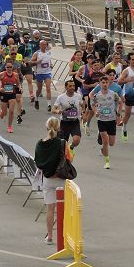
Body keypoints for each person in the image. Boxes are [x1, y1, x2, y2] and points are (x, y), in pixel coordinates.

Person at [34, 117, 72, 245]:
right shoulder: (62, 143)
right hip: (61, 178)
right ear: (59, 128)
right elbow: (69, 159)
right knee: (65, 208)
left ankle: (49, 236)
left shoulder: (40, 144)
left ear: (47, 127)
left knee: (50, 208)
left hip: (48, 179)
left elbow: (38, 162)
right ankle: (64, 234)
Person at [91, 76, 123, 169]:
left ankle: (103, 148)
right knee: (105, 141)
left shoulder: (114, 94)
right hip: (101, 120)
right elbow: (92, 104)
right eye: (103, 82)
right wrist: (96, 111)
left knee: (111, 143)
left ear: (108, 84)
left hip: (111, 120)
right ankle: (107, 162)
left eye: (106, 83)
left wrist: (118, 114)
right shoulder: (97, 95)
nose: (105, 84)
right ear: (100, 84)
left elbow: (120, 102)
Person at [54, 78, 84, 151]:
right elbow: (53, 109)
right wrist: (59, 111)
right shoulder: (61, 97)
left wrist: (83, 112)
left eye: (73, 86)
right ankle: (64, 155)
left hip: (75, 122)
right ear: (66, 87)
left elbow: (83, 104)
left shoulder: (78, 96)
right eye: (70, 86)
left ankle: (71, 148)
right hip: (64, 123)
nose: (72, 88)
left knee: (76, 140)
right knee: (62, 145)